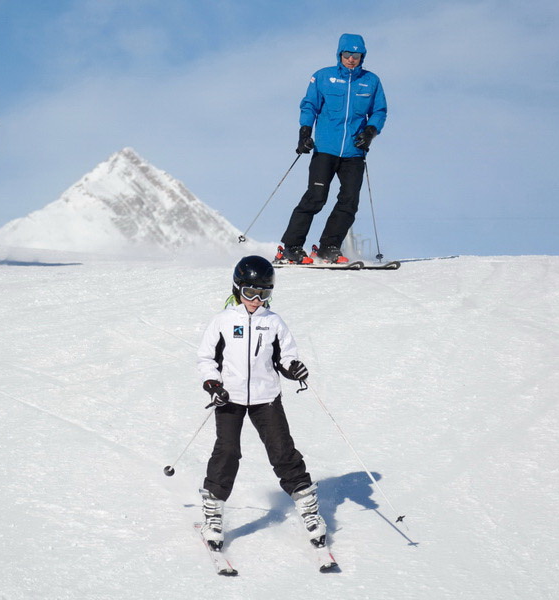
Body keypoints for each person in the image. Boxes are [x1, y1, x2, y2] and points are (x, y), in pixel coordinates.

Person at [196, 255, 326, 550]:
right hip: (229, 398)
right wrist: (213, 384)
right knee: (227, 452)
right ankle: (213, 513)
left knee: (282, 451)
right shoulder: (223, 321)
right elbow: (206, 358)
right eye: (250, 293)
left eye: (263, 294)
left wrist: (293, 369)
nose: (256, 300)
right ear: (237, 289)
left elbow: (285, 356)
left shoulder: (274, 322)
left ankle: (308, 509)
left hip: (266, 398)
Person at [279, 33, 387, 265]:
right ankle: (292, 247)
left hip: (354, 152)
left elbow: (379, 111)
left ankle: (329, 246)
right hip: (325, 150)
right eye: (347, 54)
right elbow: (310, 105)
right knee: (316, 197)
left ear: (362, 56)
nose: (351, 59)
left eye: (356, 55)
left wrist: (370, 132)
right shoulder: (323, 77)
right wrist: (305, 132)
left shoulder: (371, 81)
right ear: (339, 55)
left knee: (349, 202)